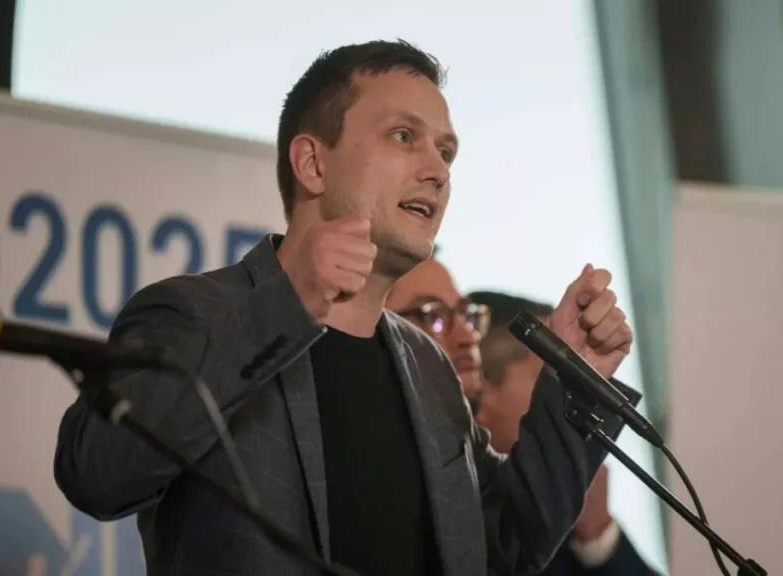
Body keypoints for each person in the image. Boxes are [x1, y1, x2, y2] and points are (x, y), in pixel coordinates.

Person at [53, 40, 635, 576]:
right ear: (312, 164)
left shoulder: (429, 368)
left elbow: (506, 543)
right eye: (403, 136)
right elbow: (96, 475)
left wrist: (576, 380)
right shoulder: (192, 312)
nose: (437, 170)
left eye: (446, 152)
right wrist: (286, 306)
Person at [387, 260, 659, 575]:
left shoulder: (539, 505)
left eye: (466, 314)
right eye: (431, 316)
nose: (466, 335)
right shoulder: (405, 483)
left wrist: (598, 538)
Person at [469, 290, 662, 575]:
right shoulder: (465, 516)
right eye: (549, 375)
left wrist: (597, 537)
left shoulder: (557, 497)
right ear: (481, 390)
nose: (573, 393)